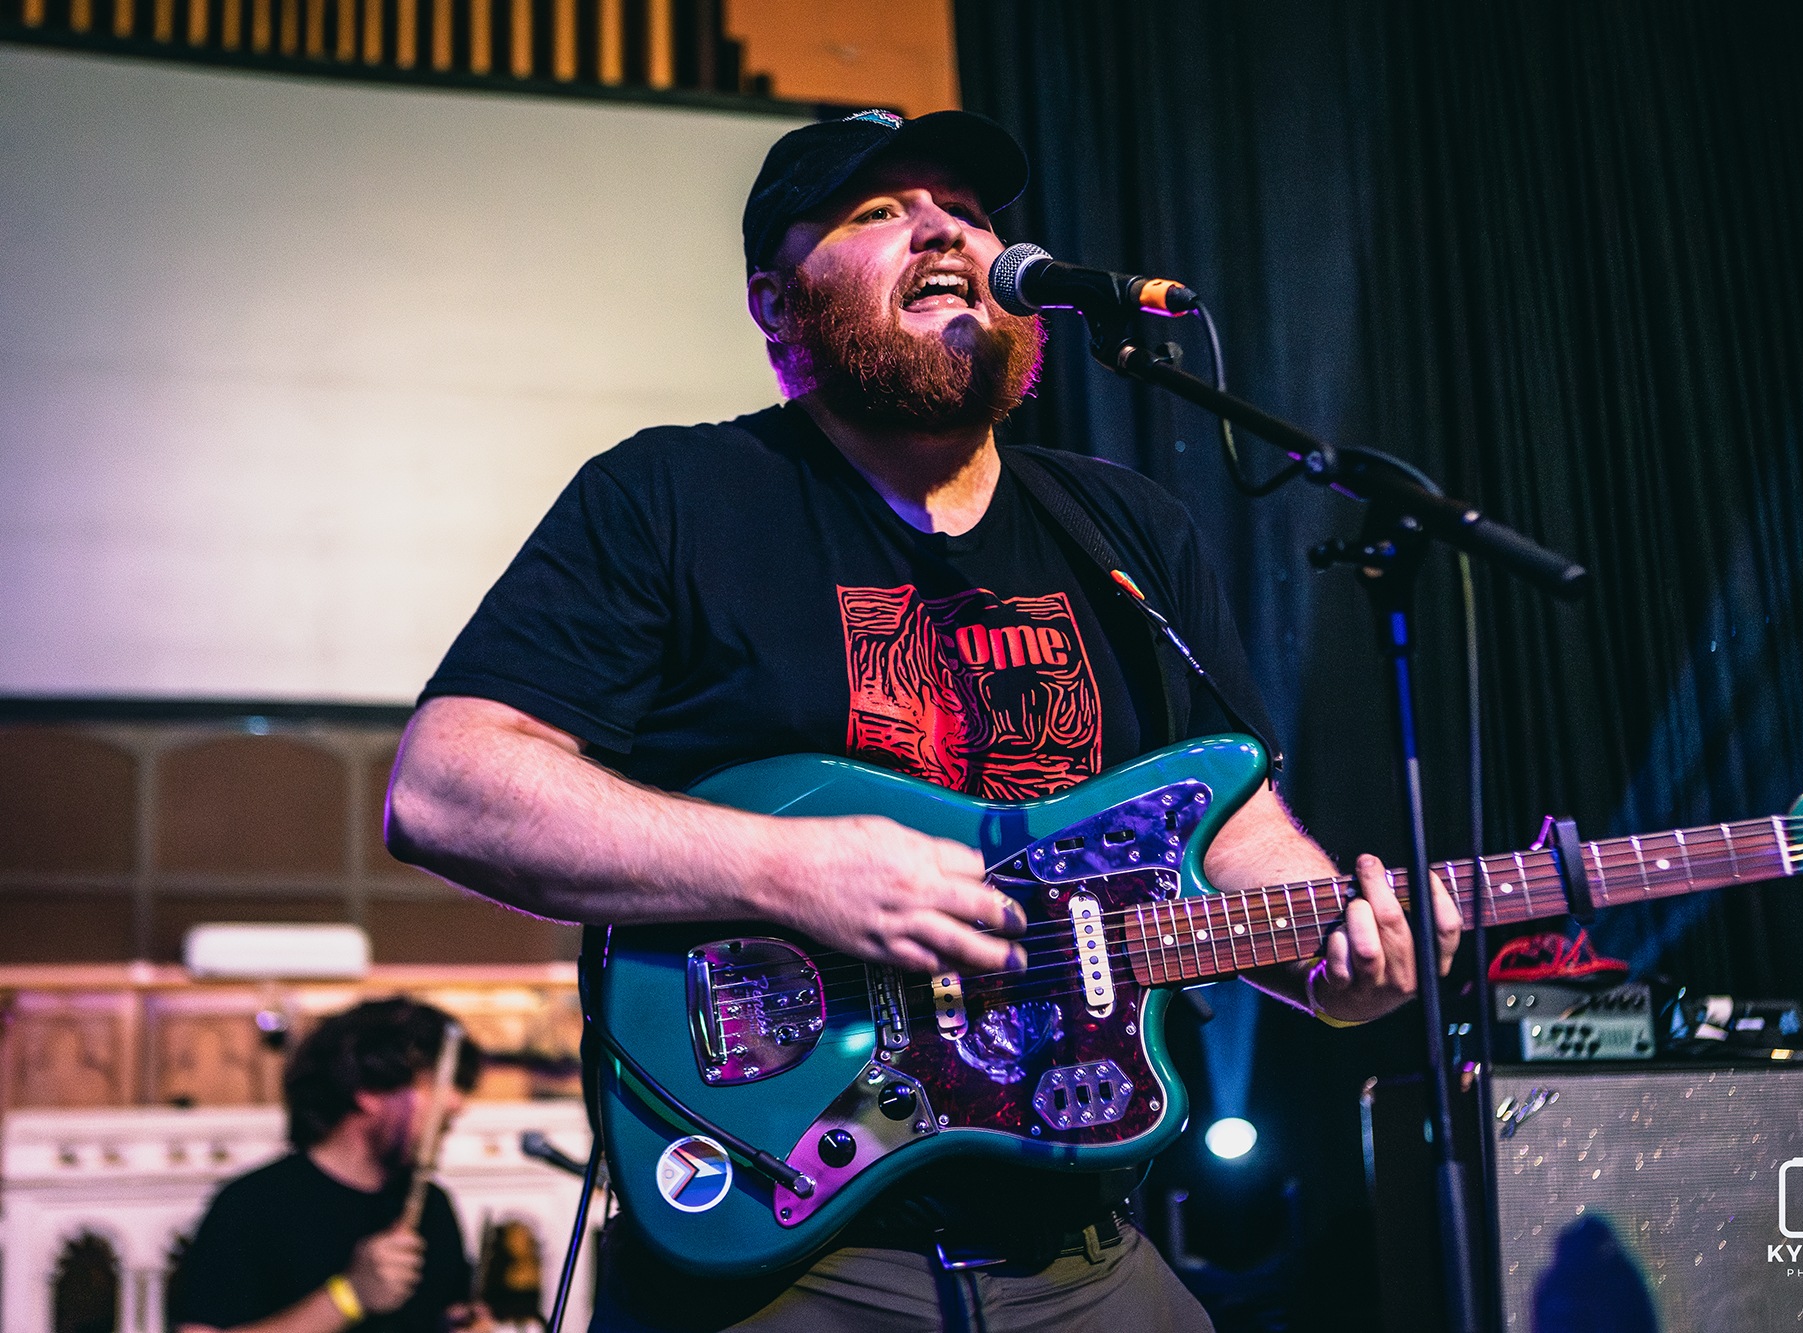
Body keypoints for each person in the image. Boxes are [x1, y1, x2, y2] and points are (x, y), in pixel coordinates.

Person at [385, 108, 1463, 1331]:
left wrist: (1332, 955)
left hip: (1084, 1249)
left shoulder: (1122, 529)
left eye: (965, 209)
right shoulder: (672, 496)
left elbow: (1233, 824)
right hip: (788, 1248)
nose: (941, 229)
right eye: (876, 211)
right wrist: (789, 870)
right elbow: (445, 787)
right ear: (774, 303)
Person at [171, 998, 489, 1333]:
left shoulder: (433, 1206)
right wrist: (348, 1296)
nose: (456, 1104)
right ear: (368, 1089)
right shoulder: (251, 1205)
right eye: (433, 1084)